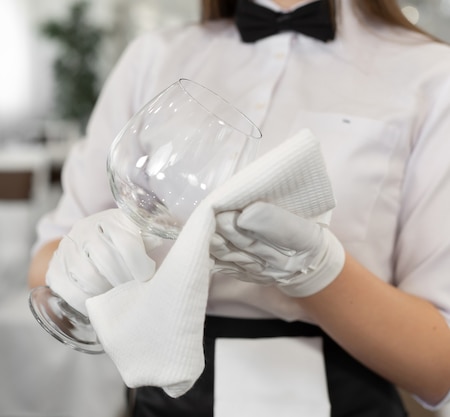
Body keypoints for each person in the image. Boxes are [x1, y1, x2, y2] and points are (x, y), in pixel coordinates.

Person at [28, 0, 450, 415]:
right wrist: (81, 265)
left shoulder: (431, 73)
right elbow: (46, 260)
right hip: (167, 398)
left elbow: (440, 371)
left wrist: (317, 271)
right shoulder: (153, 57)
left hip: (346, 394)